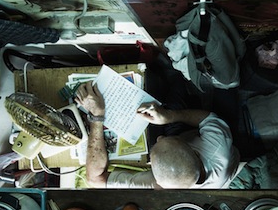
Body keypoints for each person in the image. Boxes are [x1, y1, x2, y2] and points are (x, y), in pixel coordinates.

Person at [74, 81, 240, 189]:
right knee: (176, 90)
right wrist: (169, 116)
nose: (160, 138)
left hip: (186, 139)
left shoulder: (160, 185)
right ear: (195, 152)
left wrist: (97, 117)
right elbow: (208, 119)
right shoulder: (218, 145)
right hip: (207, 137)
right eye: (166, 140)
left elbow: (94, 179)